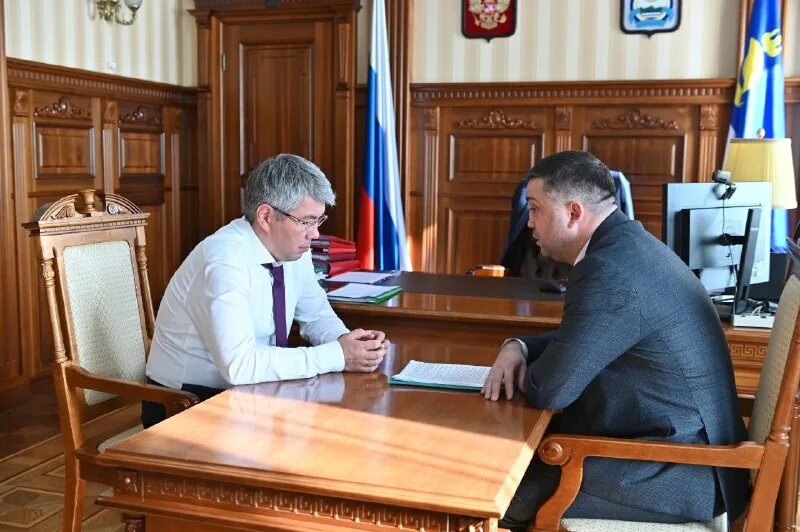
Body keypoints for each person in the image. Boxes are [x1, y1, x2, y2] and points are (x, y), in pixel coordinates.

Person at [482, 151, 749, 530]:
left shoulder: (608, 270)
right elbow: (588, 339)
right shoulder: (627, 245)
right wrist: (518, 346)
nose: (529, 223)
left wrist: (531, 370)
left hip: (674, 473)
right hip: (688, 455)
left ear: (573, 213)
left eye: (536, 208)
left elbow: (549, 391)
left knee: (486, 489)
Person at [143, 154, 389, 427]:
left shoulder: (295, 250)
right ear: (266, 216)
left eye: (319, 221)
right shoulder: (224, 260)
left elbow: (317, 316)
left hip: (250, 394)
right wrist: (337, 355)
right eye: (307, 221)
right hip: (186, 405)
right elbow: (240, 365)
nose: (315, 234)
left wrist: (352, 344)